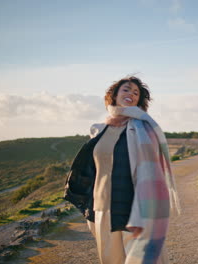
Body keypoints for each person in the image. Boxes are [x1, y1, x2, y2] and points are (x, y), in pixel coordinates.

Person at [64, 76, 180, 264]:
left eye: (136, 93)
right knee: (111, 259)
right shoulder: (99, 130)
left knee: (143, 259)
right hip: (102, 206)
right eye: (126, 90)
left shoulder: (145, 129)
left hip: (135, 205)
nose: (131, 94)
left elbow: (153, 172)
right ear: (115, 95)